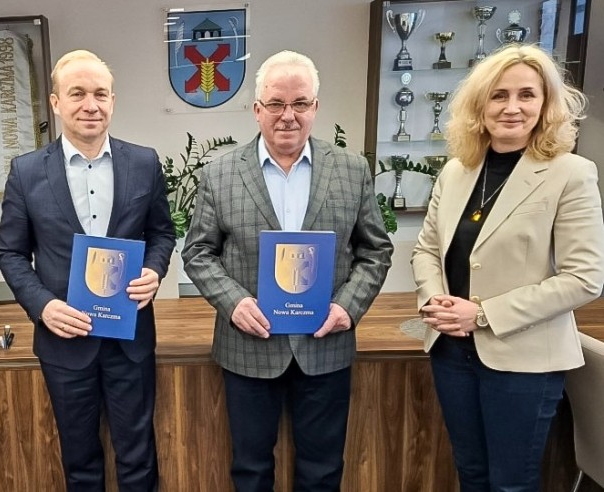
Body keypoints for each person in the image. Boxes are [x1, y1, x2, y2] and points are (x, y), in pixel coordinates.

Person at [181, 50, 393, 491]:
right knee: (251, 471)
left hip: (325, 343)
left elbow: (375, 249)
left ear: (315, 107)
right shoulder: (220, 174)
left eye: (300, 103)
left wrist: (348, 307)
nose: (288, 116)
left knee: (322, 472)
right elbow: (198, 252)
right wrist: (233, 302)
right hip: (248, 346)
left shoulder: (351, 170)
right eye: (276, 103)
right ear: (257, 109)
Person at [412, 44, 604, 491]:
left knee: (511, 484)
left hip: (524, 358)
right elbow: (426, 250)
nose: (511, 107)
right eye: (498, 95)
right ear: (479, 105)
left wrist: (481, 314)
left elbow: (584, 278)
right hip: (451, 352)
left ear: (546, 103)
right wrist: (436, 300)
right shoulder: (456, 171)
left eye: (526, 95)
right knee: (471, 474)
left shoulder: (571, 173)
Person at [0, 50, 175, 491]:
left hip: (130, 337)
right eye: (77, 94)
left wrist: (154, 271)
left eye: (100, 94)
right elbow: (10, 254)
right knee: (80, 461)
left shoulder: (144, 162)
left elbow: (162, 234)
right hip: (64, 340)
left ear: (113, 101)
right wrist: (43, 306)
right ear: (56, 102)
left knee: (138, 457)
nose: (90, 105)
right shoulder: (26, 172)